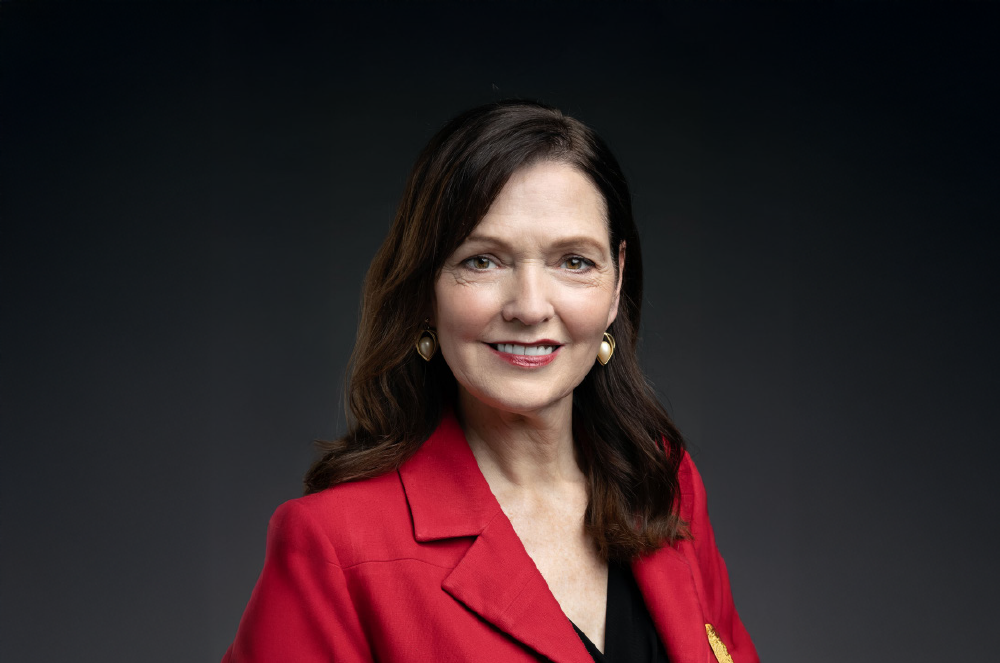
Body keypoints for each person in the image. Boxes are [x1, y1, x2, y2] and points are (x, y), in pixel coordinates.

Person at [222, 101, 758, 663]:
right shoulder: (335, 543)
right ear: (425, 287)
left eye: (573, 261)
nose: (529, 307)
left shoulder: (663, 483)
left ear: (617, 280)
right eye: (483, 261)